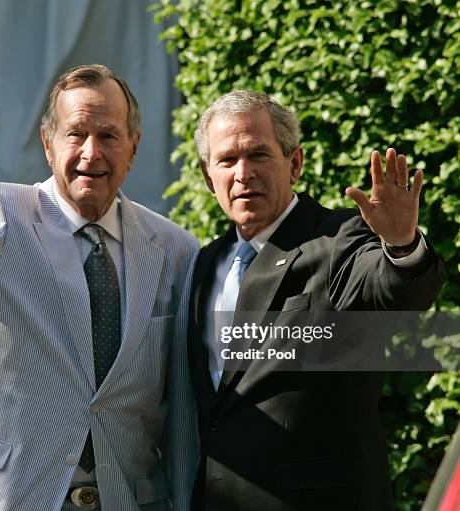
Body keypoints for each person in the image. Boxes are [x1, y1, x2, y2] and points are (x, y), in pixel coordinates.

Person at [0, 65, 199, 511]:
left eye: (109, 136)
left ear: (134, 147)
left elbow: (184, 403)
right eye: (75, 134)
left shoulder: (176, 248)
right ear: (48, 143)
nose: (91, 153)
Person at [187, 91, 445, 510]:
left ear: (295, 164)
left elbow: (395, 290)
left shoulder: (341, 238)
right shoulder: (202, 264)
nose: (243, 173)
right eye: (227, 160)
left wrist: (401, 244)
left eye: (258, 155)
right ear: (207, 175)